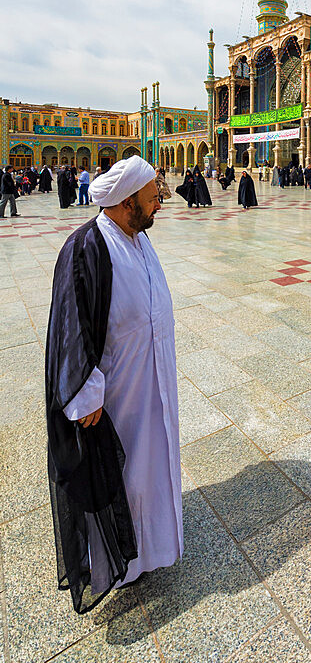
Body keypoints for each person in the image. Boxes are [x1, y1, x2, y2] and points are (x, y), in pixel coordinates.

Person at [45, 156, 182, 614]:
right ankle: (121, 557)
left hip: (151, 384)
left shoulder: (137, 238)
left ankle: (153, 547)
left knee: (151, 467)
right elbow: (70, 325)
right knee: (122, 476)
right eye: (152, 197)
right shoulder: (86, 247)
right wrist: (84, 394)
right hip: (116, 398)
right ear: (126, 202)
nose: (159, 203)